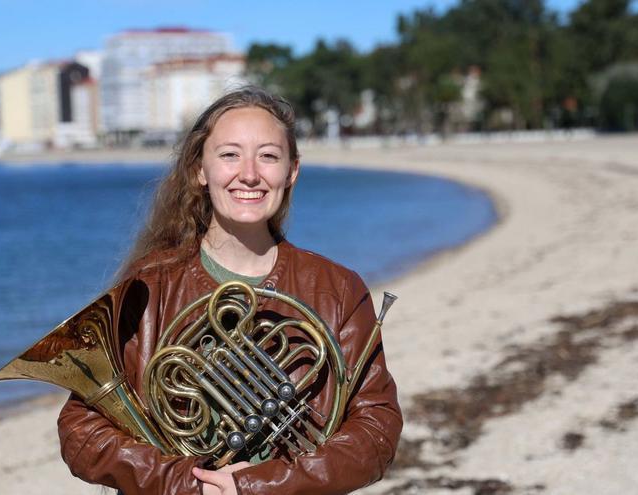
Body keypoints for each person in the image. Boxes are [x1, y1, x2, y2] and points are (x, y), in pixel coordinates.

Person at [57, 86, 402, 495]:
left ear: (292, 170)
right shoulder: (148, 286)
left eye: (269, 156)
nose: (250, 174)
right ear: (199, 170)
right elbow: (80, 430)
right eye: (229, 154)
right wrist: (186, 483)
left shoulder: (337, 288)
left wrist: (261, 485)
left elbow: (377, 430)